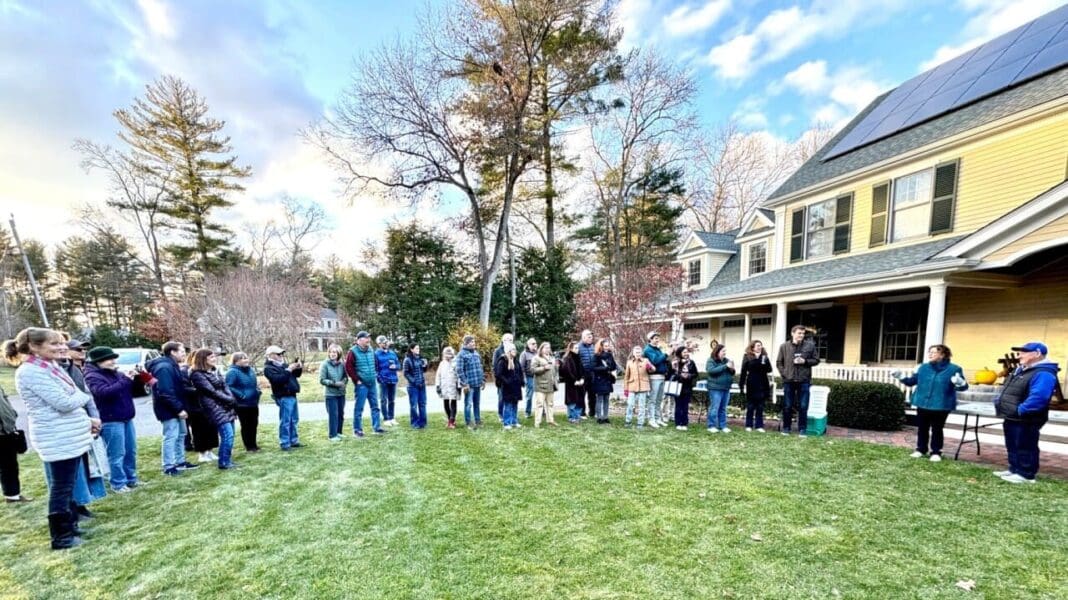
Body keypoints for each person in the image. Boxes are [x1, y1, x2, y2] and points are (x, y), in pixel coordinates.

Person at [4, 327, 95, 550]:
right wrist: (82, 396)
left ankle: (72, 524)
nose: (62, 347)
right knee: (61, 486)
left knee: (68, 483)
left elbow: (70, 395)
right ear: (34, 347)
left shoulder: (50, 367)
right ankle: (61, 536)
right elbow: (65, 402)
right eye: (54, 344)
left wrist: (82, 408)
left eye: (61, 343)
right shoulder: (30, 372)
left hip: (68, 433)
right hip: (56, 436)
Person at [993, 341, 1061, 484]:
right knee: (1013, 443)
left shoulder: (1043, 373)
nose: (1019, 356)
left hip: (1026, 417)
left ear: (1037, 354)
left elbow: (1039, 397)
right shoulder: (1022, 369)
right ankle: (1014, 469)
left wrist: (1021, 410)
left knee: (1025, 445)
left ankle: (1026, 474)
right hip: (1012, 415)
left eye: (1024, 352)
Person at [892, 344, 968, 462]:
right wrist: (901, 377)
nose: (930, 354)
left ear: (943, 355)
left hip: (941, 405)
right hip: (922, 403)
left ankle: (936, 452)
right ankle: (921, 449)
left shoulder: (954, 369)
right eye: (929, 352)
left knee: (937, 429)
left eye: (934, 352)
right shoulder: (923, 368)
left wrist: (960, 382)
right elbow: (912, 382)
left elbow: (963, 387)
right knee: (922, 428)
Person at [83, 346, 139, 493]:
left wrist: (131, 379)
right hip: (111, 420)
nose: (113, 361)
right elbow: (104, 393)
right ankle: (118, 483)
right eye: (109, 359)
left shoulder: (116, 373)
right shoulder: (92, 376)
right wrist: (125, 380)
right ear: (98, 361)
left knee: (130, 451)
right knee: (116, 454)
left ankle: (131, 479)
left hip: (126, 417)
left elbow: (124, 389)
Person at [147, 341, 198, 476]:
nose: (184, 354)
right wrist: (178, 409)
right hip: (168, 409)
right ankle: (168, 466)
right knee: (171, 436)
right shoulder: (164, 368)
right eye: (182, 351)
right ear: (173, 352)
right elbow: (165, 391)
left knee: (181, 434)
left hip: (177, 406)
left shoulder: (172, 365)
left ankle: (180, 462)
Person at [189, 349, 239, 469]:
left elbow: (224, 385)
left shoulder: (214, 371)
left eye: (214, 356)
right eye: (211, 357)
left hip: (226, 405)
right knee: (227, 434)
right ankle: (224, 462)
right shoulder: (197, 374)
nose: (214, 359)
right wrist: (228, 399)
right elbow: (211, 391)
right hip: (214, 407)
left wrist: (230, 397)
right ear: (203, 359)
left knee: (231, 434)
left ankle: (226, 460)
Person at [775, 325, 820, 437]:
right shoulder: (784, 346)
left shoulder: (810, 346)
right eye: (799, 333)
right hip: (789, 380)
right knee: (787, 405)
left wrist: (805, 361)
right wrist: (785, 375)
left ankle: (802, 429)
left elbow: (816, 360)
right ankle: (786, 428)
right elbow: (779, 362)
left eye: (803, 333)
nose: (801, 335)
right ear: (792, 333)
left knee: (803, 406)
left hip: (804, 380)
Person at [345, 332, 386, 437]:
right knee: (359, 408)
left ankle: (377, 427)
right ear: (359, 340)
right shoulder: (352, 352)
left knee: (375, 407)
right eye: (366, 338)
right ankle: (357, 430)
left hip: (372, 383)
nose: (368, 339)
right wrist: (357, 380)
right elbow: (348, 367)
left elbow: (375, 363)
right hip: (361, 385)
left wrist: (375, 374)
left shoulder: (371, 350)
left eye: (369, 337)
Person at [263, 345, 303, 451]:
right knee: (286, 421)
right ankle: (285, 443)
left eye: (282, 354)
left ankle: (294, 441)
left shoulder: (283, 365)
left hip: (292, 394)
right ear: (270, 355)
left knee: (294, 420)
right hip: (283, 396)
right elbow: (278, 380)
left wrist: (298, 367)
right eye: (278, 354)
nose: (281, 355)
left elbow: (296, 375)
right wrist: (289, 369)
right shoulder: (268, 368)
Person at [182, 351, 218, 464]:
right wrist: (199, 391)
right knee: (200, 430)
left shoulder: (209, 371)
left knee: (211, 429)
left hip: (209, 405)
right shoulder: (188, 371)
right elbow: (184, 388)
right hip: (196, 406)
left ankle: (210, 450)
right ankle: (202, 453)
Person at [1, 382, 31, 502]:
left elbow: (4, 400)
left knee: (10, 465)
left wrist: (13, 414)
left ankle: (12, 495)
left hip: (7, 429)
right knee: (7, 465)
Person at [225, 353, 262, 452]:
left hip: (253, 402)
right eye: (243, 359)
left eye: (246, 358)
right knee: (246, 425)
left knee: (254, 424)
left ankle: (254, 444)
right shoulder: (232, 372)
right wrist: (241, 395)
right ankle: (249, 446)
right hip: (242, 404)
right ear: (236, 361)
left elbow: (254, 384)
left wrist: (258, 391)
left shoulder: (250, 370)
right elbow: (229, 386)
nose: (246, 360)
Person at [739, 341, 773, 433]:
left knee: (760, 406)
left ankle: (759, 426)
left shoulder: (764, 357)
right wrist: (741, 385)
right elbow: (743, 371)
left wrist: (764, 362)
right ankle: (748, 425)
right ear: (753, 347)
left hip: (763, 382)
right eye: (758, 345)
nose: (760, 347)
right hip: (752, 382)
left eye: (761, 345)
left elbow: (769, 369)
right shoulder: (747, 356)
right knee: (750, 406)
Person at [319, 344, 348, 441]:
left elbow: (345, 377)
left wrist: (343, 382)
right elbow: (322, 380)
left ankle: (339, 432)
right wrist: (334, 383)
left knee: (340, 414)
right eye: (331, 352)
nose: (332, 354)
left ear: (339, 353)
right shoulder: (325, 364)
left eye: (334, 352)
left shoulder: (342, 364)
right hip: (330, 394)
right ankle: (332, 435)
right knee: (333, 415)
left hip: (341, 393)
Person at [456, 335, 485, 429]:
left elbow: (480, 368)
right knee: (468, 404)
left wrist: (483, 380)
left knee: (477, 403)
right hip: (469, 385)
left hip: (477, 383)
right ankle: (468, 422)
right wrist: (465, 383)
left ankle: (477, 420)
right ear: (466, 343)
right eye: (472, 342)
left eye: (474, 342)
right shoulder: (461, 354)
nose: (474, 343)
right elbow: (459, 370)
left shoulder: (476, 353)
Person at [705, 344, 735, 433]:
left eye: (725, 351)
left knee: (723, 408)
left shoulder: (726, 360)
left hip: (726, 388)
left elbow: (732, 372)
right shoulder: (711, 360)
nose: (725, 353)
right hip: (715, 388)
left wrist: (732, 368)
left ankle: (723, 426)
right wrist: (725, 366)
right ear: (717, 351)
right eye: (723, 351)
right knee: (715, 407)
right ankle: (711, 426)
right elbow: (711, 371)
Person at [494, 343, 523, 430]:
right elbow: (499, 374)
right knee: (508, 404)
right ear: (508, 351)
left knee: (515, 404)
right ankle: (506, 422)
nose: (515, 351)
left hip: (516, 386)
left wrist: (521, 381)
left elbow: (520, 372)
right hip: (507, 387)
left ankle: (514, 421)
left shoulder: (516, 361)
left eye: (515, 349)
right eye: (513, 349)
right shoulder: (502, 361)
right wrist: (507, 381)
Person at [590, 338, 618, 424]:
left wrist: (612, 368)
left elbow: (613, 366)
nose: (607, 347)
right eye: (605, 346)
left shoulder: (610, 355)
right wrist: (604, 368)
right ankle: (599, 417)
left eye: (608, 346)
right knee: (600, 399)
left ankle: (605, 417)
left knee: (606, 399)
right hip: (599, 379)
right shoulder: (596, 355)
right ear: (601, 346)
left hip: (608, 379)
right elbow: (593, 367)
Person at [643, 332, 668, 429]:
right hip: (654, 377)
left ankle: (658, 418)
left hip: (661, 376)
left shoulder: (658, 349)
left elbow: (663, 360)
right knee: (652, 399)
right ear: (650, 339)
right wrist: (666, 354)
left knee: (659, 399)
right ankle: (651, 419)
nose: (658, 340)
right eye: (656, 338)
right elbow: (655, 361)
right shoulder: (648, 349)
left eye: (658, 338)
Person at [530, 342, 558, 428]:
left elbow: (555, 371)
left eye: (549, 348)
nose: (547, 349)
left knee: (550, 404)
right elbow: (532, 370)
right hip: (540, 385)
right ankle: (537, 422)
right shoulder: (536, 358)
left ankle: (550, 421)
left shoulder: (552, 358)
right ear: (541, 349)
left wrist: (556, 378)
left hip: (551, 385)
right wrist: (543, 368)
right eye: (545, 348)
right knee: (539, 404)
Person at [374, 336, 400, 427]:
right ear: (379, 344)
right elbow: (375, 368)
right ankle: (386, 419)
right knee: (383, 400)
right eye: (383, 343)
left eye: (386, 342)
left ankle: (392, 417)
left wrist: (396, 367)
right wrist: (379, 377)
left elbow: (398, 365)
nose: (385, 344)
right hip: (383, 380)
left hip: (393, 379)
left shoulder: (392, 353)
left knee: (392, 400)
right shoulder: (376, 354)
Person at [623, 346, 652, 428]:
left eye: (639, 352)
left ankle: (640, 422)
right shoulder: (629, 362)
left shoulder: (646, 360)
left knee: (642, 406)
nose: (638, 354)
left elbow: (653, 369)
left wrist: (650, 367)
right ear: (633, 353)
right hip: (632, 386)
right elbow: (626, 376)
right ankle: (628, 421)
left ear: (641, 353)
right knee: (630, 405)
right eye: (636, 352)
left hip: (643, 386)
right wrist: (625, 388)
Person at [671, 346, 699, 430]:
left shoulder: (691, 362)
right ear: (680, 353)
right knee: (678, 405)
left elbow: (695, 374)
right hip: (678, 386)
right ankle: (678, 423)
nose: (686, 354)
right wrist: (681, 375)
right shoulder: (675, 362)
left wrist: (689, 375)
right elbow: (672, 374)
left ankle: (684, 423)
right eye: (684, 352)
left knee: (685, 406)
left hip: (687, 386)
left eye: (687, 352)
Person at [403, 344, 429, 429]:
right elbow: (405, 373)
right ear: (411, 349)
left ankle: (423, 422)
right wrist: (414, 381)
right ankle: (415, 423)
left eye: (419, 348)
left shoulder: (420, 358)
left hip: (422, 385)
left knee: (422, 404)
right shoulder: (407, 360)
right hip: (412, 386)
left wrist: (425, 365)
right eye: (417, 348)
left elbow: (423, 370)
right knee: (414, 405)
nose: (418, 349)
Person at [559, 342, 585, 424]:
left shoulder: (578, 358)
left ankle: (577, 416)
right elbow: (567, 371)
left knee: (579, 400)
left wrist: (582, 379)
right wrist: (574, 380)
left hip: (579, 383)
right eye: (576, 348)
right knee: (572, 401)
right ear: (571, 349)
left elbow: (582, 370)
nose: (577, 349)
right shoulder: (567, 359)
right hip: (571, 384)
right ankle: (572, 417)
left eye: (578, 348)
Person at [436, 347, 460, 429]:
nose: (448, 356)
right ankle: (450, 419)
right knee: (446, 403)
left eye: (450, 354)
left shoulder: (456, 363)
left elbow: (459, 375)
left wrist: (459, 386)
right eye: (446, 354)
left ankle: (452, 421)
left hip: (453, 386)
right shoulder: (442, 364)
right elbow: (438, 375)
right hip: (444, 386)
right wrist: (437, 385)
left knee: (453, 403)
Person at [492, 333, 515, 421]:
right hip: (501, 379)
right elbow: (494, 365)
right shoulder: (498, 351)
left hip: (511, 378)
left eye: (511, 340)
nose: (509, 341)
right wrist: (497, 378)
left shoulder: (513, 349)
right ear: (503, 340)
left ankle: (509, 414)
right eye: (507, 339)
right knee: (501, 397)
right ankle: (500, 415)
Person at [578, 330, 596, 419]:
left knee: (592, 395)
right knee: (582, 394)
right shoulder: (578, 347)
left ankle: (592, 412)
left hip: (592, 374)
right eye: (589, 337)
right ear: (583, 337)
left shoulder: (593, 346)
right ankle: (582, 413)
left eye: (591, 337)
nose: (591, 338)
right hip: (582, 374)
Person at [519, 338, 538, 419]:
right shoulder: (524, 354)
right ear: (528, 345)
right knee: (529, 396)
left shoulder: (538, 353)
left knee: (541, 395)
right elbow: (521, 368)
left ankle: (542, 412)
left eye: (535, 343)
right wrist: (524, 378)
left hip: (539, 377)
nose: (535, 345)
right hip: (529, 377)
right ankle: (527, 412)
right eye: (533, 343)